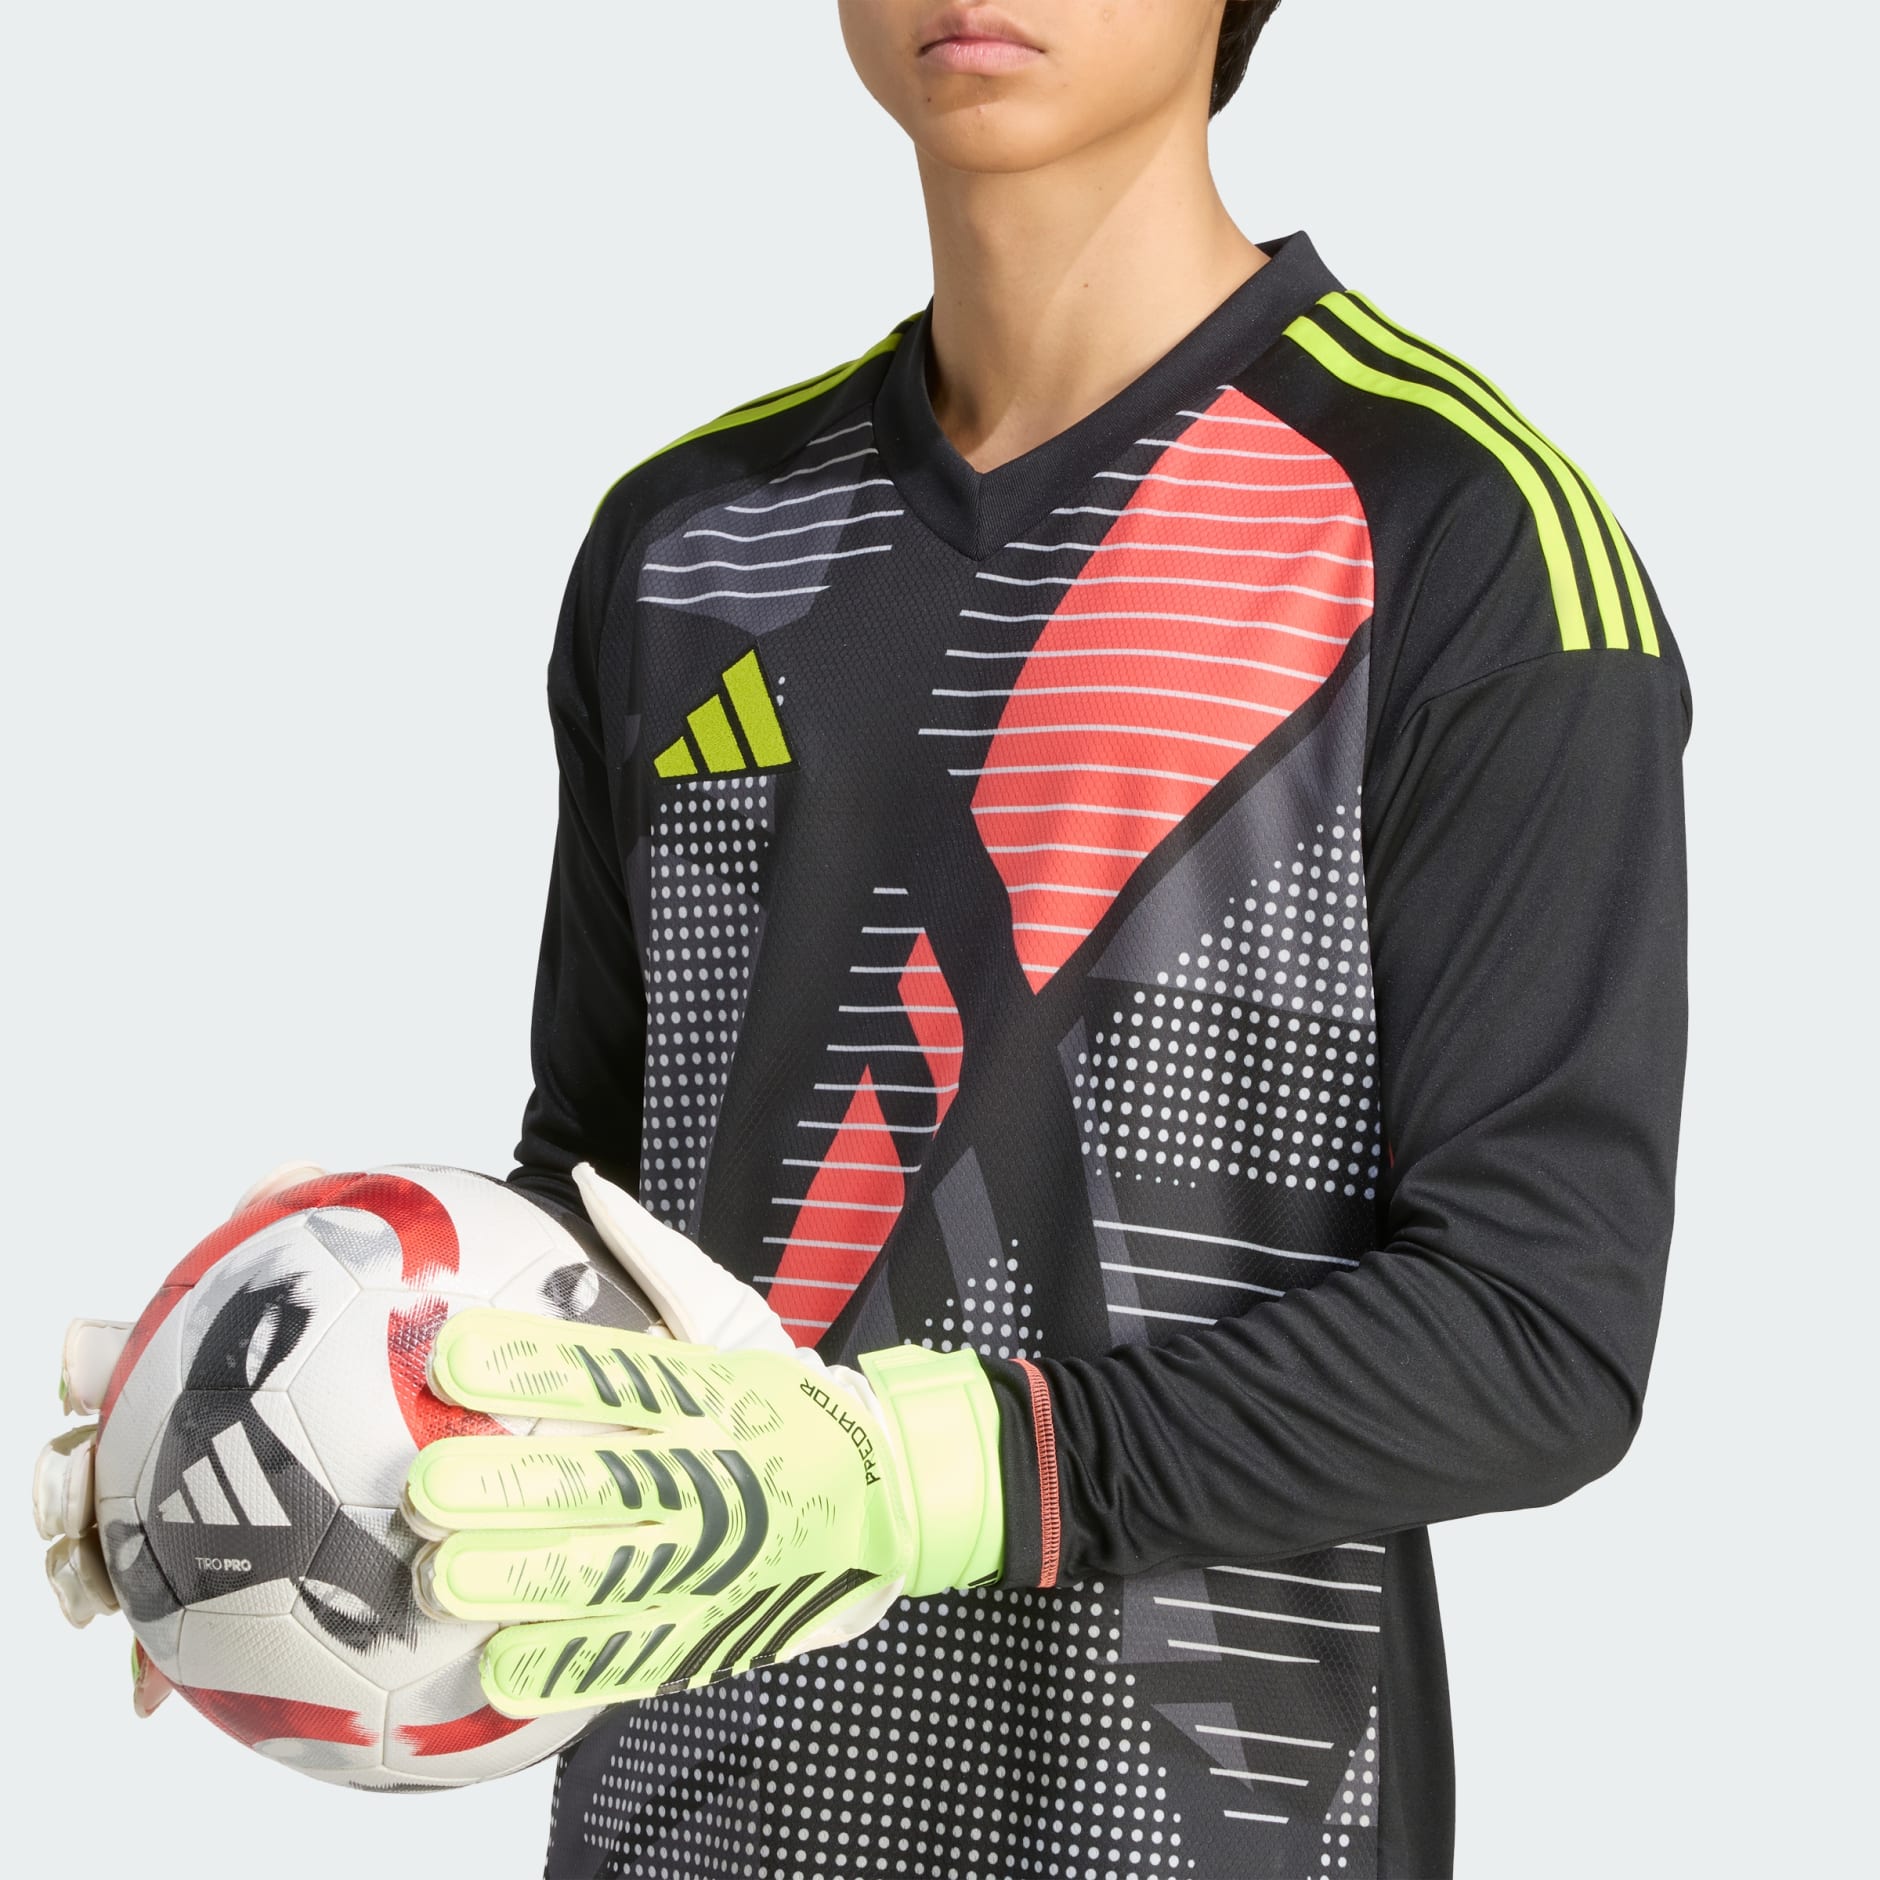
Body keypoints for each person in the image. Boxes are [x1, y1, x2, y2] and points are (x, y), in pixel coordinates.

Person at [46, 5, 1694, 1876]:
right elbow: (606, 1205)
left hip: (1178, 1830)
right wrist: (295, 1426)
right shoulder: (689, 544)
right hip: (680, 1824)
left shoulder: (1456, 534)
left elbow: (1537, 1335)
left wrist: (926, 1475)